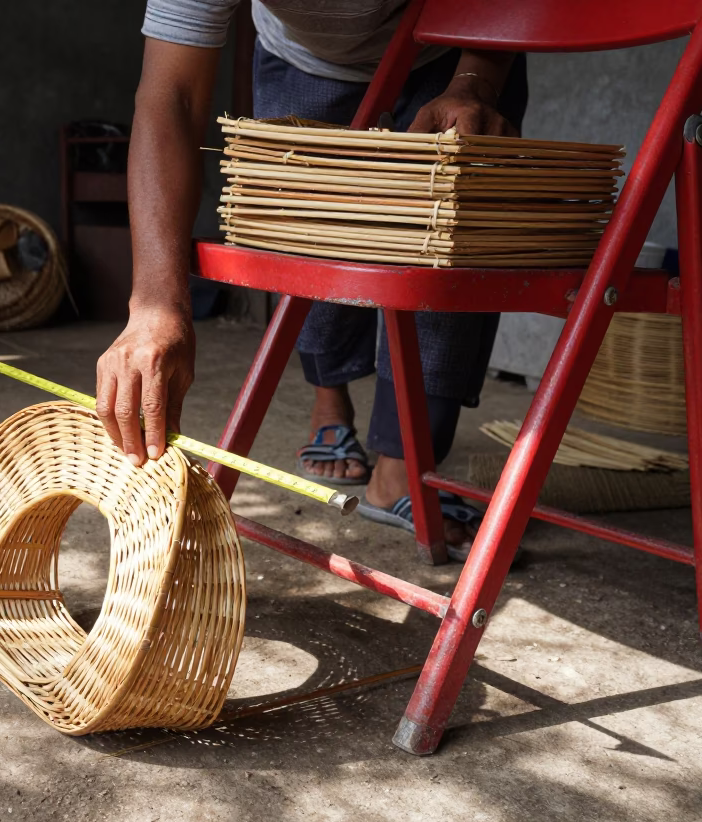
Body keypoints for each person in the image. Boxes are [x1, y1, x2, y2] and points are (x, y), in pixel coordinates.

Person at [96, 0, 528, 559]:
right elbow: (172, 95)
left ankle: (402, 468)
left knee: (446, 252)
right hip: (306, 59)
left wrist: (477, 80)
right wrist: (155, 303)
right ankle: (330, 399)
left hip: (457, 46)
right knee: (307, 248)